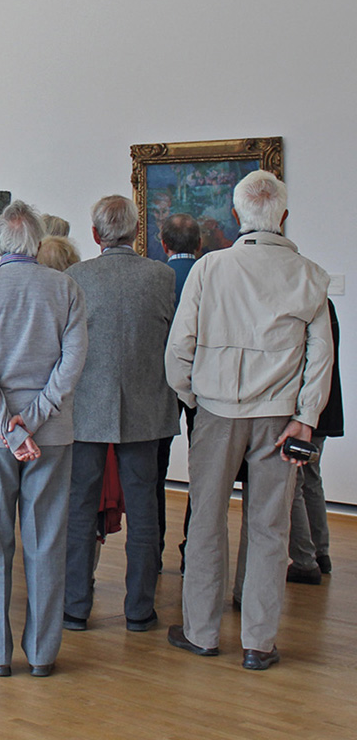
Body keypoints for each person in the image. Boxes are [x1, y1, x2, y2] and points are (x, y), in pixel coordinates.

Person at [166, 171, 332, 671]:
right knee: (269, 527)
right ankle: (259, 643)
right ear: (284, 216)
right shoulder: (309, 275)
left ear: (237, 215)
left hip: (218, 411)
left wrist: (193, 397)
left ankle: (200, 632)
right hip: (280, 418)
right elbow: (321, 360)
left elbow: (179, 348)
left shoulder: (209, 268)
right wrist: (306, 418)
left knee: (206, 519)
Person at [0, 201, 88, 678]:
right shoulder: (66, 288)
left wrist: (10, 427)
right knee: (46, 542)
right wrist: (31, 422)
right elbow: (71, 366)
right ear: (37, 242)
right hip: (50, 433)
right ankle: (42, 653)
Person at [62, 195, 177, 634]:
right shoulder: (162, 276)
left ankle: (74, 607)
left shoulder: (77, 277)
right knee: (144, 510)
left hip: (86, 407)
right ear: (137, 231)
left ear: (95, 234)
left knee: (80, 509)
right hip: (146, 407)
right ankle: (140, 610)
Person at [155, 212, 201, 559]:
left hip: (160, 383)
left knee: (154, 472)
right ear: (199, 244)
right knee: (203, 472)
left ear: (163, 243)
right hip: (204, 384)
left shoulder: (157, 277)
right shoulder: (210, 276)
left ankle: (153, 550)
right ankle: (192, 551)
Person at [287, 299, 342, 581]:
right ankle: (321, 553)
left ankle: (304, 560)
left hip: (303, 411)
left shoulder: (305, 306)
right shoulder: (325, 304)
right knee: (311, 479)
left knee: (294, 484)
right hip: (323, 407)